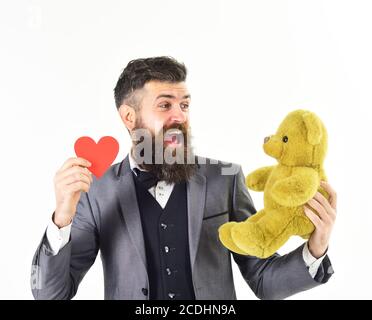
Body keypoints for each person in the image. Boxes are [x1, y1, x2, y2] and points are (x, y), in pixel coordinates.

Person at [31, 56, 336, 300]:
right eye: (165, 105)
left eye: (185, 105)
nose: (180, 116)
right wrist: (61, 219)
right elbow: (51, 294)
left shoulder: (224, 179)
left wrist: (316, 248)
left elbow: (264, 281)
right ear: (129, 117)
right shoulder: (96, 191)